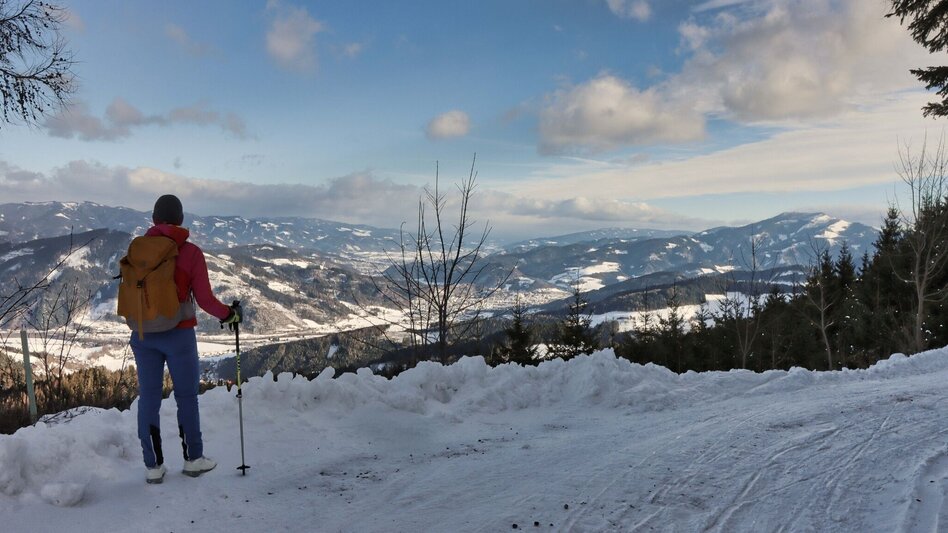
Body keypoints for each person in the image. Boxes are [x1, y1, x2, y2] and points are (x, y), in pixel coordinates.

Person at [130, 194, 241, 484]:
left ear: (154, 219)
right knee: (187, 397)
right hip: (179, 336)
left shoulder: (138, 249)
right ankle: (193, 459)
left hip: (143, 334)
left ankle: (153, 466)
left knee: (149, 398)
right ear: (181, 219)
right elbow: (205, 299)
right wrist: (230, 315)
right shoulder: (190, 253)